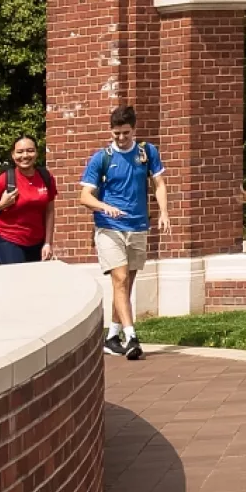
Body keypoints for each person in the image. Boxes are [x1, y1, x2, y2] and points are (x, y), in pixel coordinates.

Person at [81, 105, 170, 360]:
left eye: (126, 133)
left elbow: (159, 183)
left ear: (134, 129)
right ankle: (132, 337)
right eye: (116, 133)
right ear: (111, 131)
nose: (121, 138)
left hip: (138, 226)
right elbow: (84, 196)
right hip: (109, 228)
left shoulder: (146, 152)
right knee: (119, 279)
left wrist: (164, 212)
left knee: (126, 284)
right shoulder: (102, 158)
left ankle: (112, 335)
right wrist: (105, 207)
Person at [0, 136, 58, 264]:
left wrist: (48, 243)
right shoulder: (5, 179)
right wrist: (2, 204)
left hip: (36, 241)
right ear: (13, 155)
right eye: (20, 152)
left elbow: (50, 211)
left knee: (34, 282)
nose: (25, 155)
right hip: (8, 239)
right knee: (15, 281)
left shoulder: (46, 177)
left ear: (36, 153)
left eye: (30, 150)